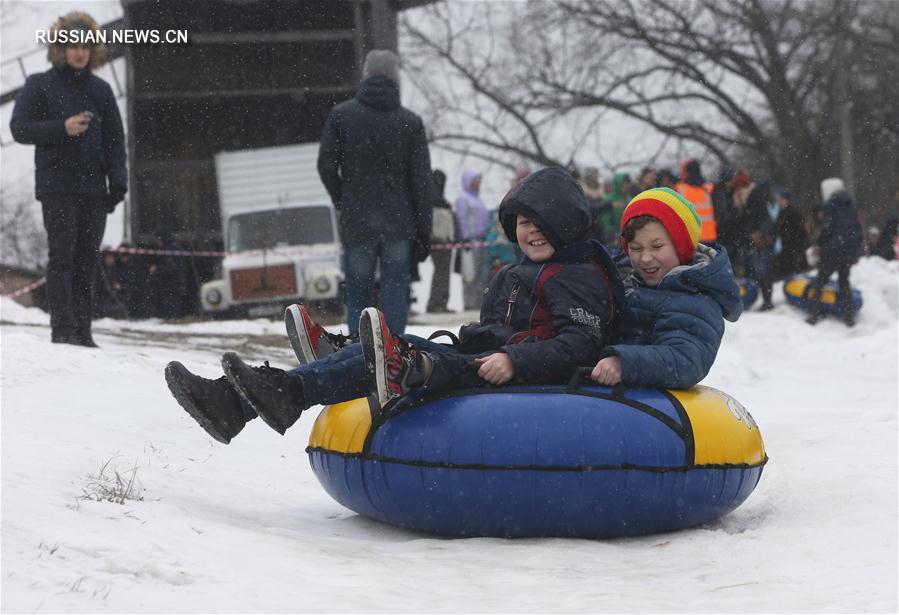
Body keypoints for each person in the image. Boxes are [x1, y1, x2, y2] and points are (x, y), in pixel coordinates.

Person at [164, 167, 624, 444]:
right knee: (386, 349)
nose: (531, 231)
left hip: (525, 381)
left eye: (542, 221)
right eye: (523, 222)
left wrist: (513, 358)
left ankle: (283, 391)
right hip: (485, 361)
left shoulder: (580, 274)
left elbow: (578, 345)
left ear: (567, 222)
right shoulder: (515, 272)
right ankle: (239, 401)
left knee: (390, 353)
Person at [9, 12, 126, 347]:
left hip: (94, 188)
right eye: (73, 45)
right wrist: (62, 128)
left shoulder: (101, 90)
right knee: (62, 257)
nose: (79, 52)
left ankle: (84, 333)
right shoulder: (39, 85)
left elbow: (115, 140)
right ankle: (62, 330)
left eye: (85, 46)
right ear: (61, 49)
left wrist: (118, 182)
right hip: (57, 186)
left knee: (87, 260)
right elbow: (19, 128)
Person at [317, 49, 433, 336]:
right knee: (395, 292)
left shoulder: (342, 116)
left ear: (365, 75)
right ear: (395, 79)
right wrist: (423, 230)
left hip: (357, 220)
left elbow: (326, 166)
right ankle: (393, 355)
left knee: (358, 292)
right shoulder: (410, 122)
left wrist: (343, 198)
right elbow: (422, 183)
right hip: (399, 222)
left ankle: (358, 352)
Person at [591, 187, 742, 389]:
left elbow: (686, 360)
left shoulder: (696, 298)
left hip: (649, 410)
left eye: (656, 246)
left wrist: (623, 364)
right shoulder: (629, 286)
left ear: (680, 246)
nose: (645, 258)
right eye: (636, 248)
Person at [804, 178, 863, 327]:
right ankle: (848, 316)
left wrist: (819, 244)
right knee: (844, 282)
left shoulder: (831, 205)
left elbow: (827, 228)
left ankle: (814, 315)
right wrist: (855, 251)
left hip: (833, 250)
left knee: (820, 281)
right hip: (847, 251)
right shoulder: (850, 206)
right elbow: (857, 230)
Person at [454, 169, 490, 310]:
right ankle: (469, 302)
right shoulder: (463, 198)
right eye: (475, 180)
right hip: (470, 242)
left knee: (482, 273)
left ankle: (479, 302)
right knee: (470, 273)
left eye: (479, 181)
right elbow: (461, 219)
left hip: (482, 241)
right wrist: (465, 238)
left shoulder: (479, 200)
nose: (478, 183)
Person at [743, 181, 776, 310]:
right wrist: (764, 233)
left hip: (758, 239)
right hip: (763, 240)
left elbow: (752, 218)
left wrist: (755, 233)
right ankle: (767, 300)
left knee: (761, 271)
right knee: (764, 271)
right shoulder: (764, 201)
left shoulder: (754, 199)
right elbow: (766, 220)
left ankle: (765, 300)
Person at [426, 169, 454, 314]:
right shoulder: (436, 198)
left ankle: (438, 302)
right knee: (442, 272)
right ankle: (437, 303)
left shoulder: (427, 194)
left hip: (435, 239)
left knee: (441, 272)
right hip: (439, 239)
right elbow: (437, 201)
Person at [674, 159, 717, 243]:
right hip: (709, 237)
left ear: (686, 172)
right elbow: (720, 212)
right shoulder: (709, 188)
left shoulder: (679, 189)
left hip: (688, 237)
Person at [774, 190, 808, 277]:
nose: (779, 203)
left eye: (782, 200)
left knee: (797, 273)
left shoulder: (794, 212)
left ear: (787, 200)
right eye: (778, 200)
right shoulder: (781, 214)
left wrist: (798, 243)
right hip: (787, 248)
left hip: (795, 247)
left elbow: (801, 231)